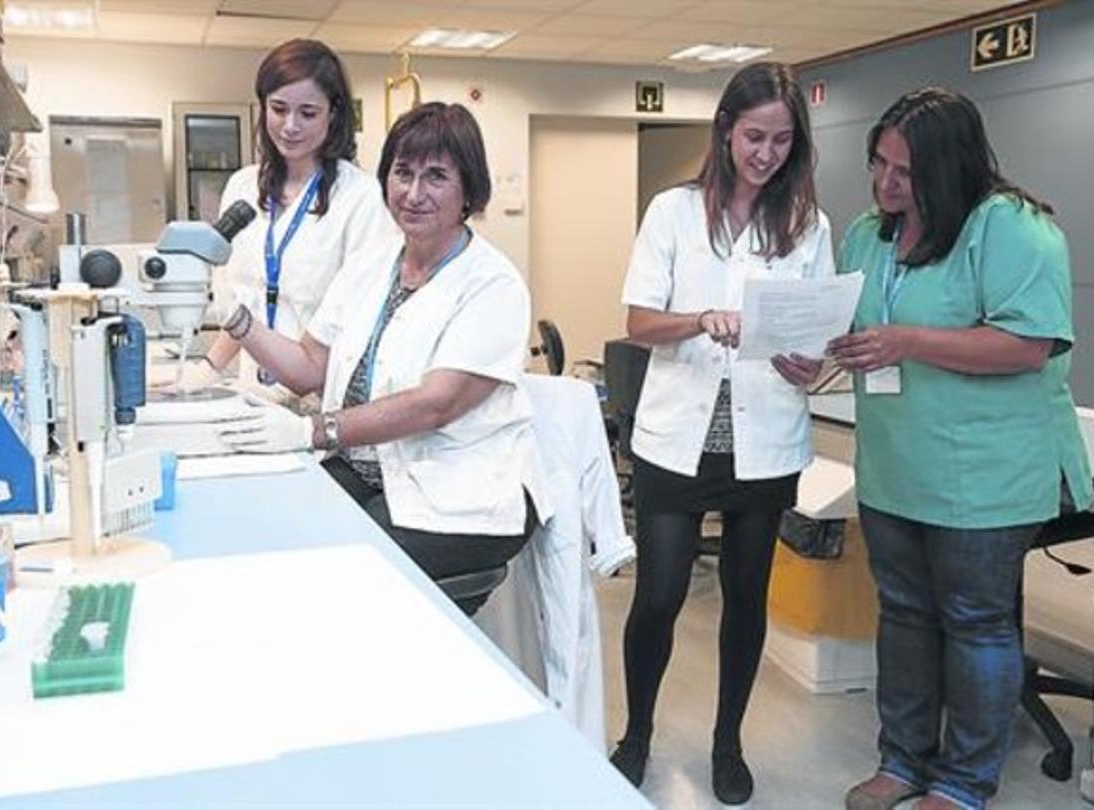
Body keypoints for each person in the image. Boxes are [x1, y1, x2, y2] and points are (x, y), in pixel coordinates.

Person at [829, 88, 1092, 810]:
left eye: (906, 173)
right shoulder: (867, 233)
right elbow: (857, 325)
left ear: (951, 166)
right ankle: (903, 760)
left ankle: (965, 781)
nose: (886, 184)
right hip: (895, 464)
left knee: (977, 623)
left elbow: (1028, 343)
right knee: (905, 613)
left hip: (986, 475)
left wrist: (908, 341)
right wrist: (815, 353)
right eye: (878, 164)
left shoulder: (1013, 229)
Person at [213, 102, 550, 616]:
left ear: (469, 191)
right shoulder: (371, 264)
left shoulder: (492, 285)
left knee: (339, 572)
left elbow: (435, 405)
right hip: (368, 468)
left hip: (459, 492)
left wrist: (313, 431)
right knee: (267, 529)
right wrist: (237, 320)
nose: (413, 193)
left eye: (435, 176)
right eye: (403, 173)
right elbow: (309, 367)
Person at [610, 62, 835, 804]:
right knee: (660, 597)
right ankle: (636, 732)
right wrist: (701, 319)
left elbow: (818, 335)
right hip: (678, 436)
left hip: (765, 436)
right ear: (726, 132)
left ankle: (727, 741)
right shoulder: (673, 212)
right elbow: (639, 322)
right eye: (752, 136)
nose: (765, 153)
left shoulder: (808, 225)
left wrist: (813, 366)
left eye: (780, 139)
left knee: (746, 595)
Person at [176, 38, 392, 397]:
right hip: (254, 391)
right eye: (278, 109)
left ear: (334, 114)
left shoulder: (361, 198)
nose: (290, 126)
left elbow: (358, 322)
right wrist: (207, 370)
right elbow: (245, 301)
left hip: (324, 398)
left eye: (308, 113)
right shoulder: (243, 186)